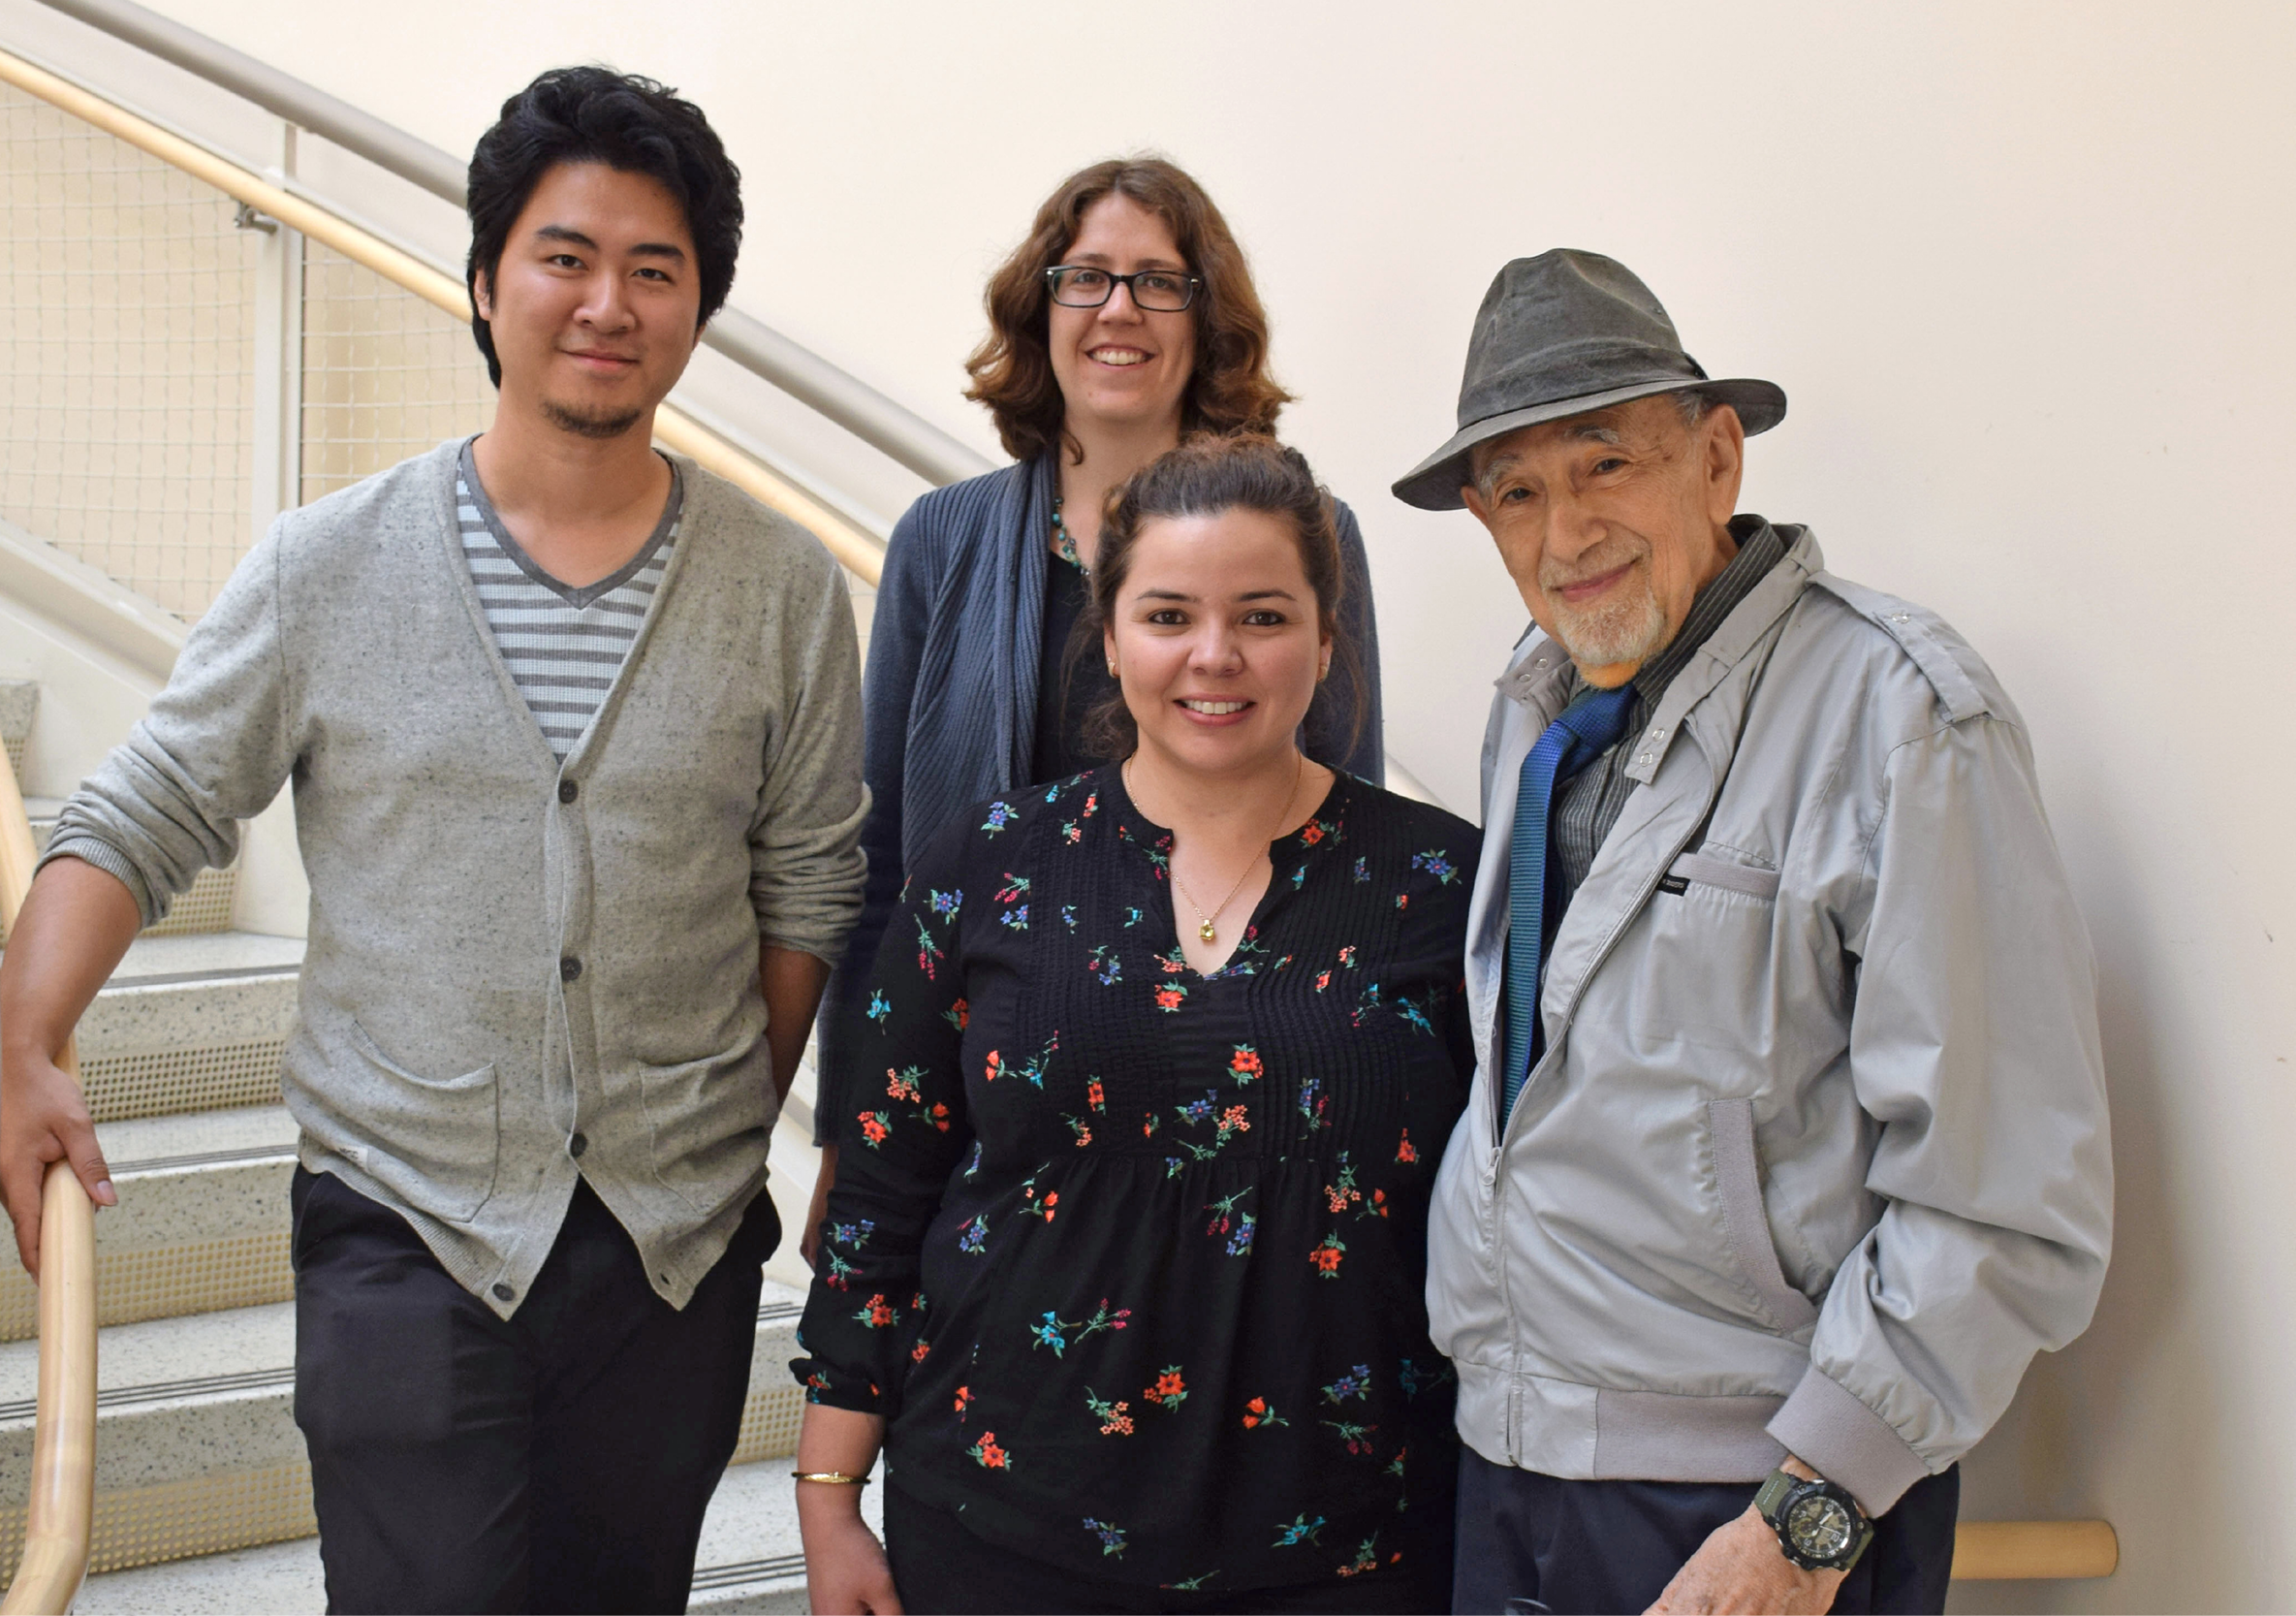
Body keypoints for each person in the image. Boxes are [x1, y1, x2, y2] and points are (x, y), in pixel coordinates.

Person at [0, 68, 867, 1614]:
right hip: (402, 1215)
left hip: (673, 1246)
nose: (607, 301)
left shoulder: (781, 589)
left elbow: (807, 881)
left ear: (696, 308)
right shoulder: (328, 564)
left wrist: (724, 1121)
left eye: (654, 269)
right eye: (565, 254)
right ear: (484, 282)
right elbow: (147, 804)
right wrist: (29, 1037)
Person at [1399, 249, 2113, 1615]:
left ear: (1716, 458)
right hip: (1515, 1464)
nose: (1565, 533)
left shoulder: (1899, 715)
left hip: (1757, 1498)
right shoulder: (1534, 704)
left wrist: (1805, 1514)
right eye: (1518, 491)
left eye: (1605, 462)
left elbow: (2011, 1198)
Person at [792, 436, 1471, 1615]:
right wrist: (826, 1493)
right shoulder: (987, 864)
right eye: (1167, 614)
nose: (1214, 655)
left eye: (1262, 615)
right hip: (1003, 1521)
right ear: (1108, 638)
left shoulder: (1445, 884)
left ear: (1326, 638)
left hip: (1350, 1540)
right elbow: (881, 1199)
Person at [803, 158, 1386, 1252]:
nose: (1120, 309)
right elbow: (884, 861)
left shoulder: (1314, 533)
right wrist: (849, 1125)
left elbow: (1351, 846)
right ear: (1043, 308)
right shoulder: (941, 539)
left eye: (1159, 281)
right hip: (985, 1099)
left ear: (1205, 320)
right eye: (1086, 278)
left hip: (1231, 1097)